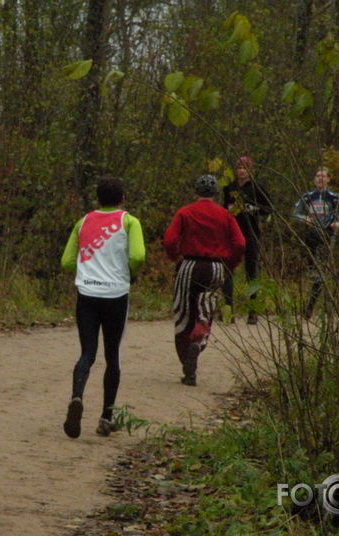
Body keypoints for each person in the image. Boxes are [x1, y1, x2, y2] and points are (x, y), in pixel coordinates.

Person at [60, 177, 145, 438]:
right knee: (112, 357)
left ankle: (76, 396)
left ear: (97, 198)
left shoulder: (83, 221)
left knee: (87, 352)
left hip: (87, 292)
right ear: (122, 199)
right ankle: (106, 417)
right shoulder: (129, 222)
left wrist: (85, 271)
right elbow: (138, 255)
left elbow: (66, 261)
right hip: (116, 294)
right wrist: (131, 273)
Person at [163, 175, 245, 386]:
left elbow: (170, 239)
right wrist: (230, 264)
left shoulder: (185, 212)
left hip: (189, 265)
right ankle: (198, 342)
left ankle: (187, 367)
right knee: (205, 311)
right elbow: (240, 243)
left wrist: (175, 257)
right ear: (216, 193)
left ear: (196, 192)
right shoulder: (225, 215)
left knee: (184, 311)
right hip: (216, 267)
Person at [221, 155, 273, 324]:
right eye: (239, 168)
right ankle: (228, 311)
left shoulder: (257, 188)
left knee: (251, 272)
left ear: (251, 170)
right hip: (232, 235)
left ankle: (253, 311)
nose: (242, 171)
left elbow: (269, 209)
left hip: (251, 234)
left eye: (245, 168)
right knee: (227, 271)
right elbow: (224, 209)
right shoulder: (230, 187)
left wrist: (253, 209)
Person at [292, 167, 339, 319]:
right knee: (312, 269)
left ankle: (311, 306)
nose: (320, 179)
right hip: (311, 235)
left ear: (328, 179)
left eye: (323, 176)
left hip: (327, 235)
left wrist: (338, 222)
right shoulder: (308, 196)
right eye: (317, 176)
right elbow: (296, 213)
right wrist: (306, 219)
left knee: (321, 270)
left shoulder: (334, 197)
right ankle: (312, 301)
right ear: (314, 179)